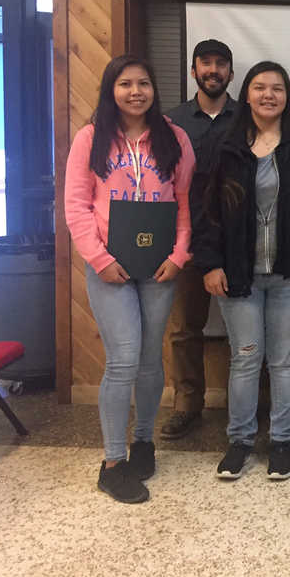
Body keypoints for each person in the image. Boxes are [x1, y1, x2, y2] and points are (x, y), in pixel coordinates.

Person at [192, 61, 290, 481]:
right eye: (259, 87)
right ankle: (239, 442)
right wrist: (210, 263)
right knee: (246, 359)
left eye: (276, 88)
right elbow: (205, 210)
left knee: (284, 361)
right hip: (238, 275)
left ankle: (282, 443)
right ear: (247, 94)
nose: (268, 95)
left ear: (287, 96)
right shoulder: (224, 146)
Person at [64, 54, 195, 503]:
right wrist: (98, 259)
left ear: (154, 89)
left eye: (143, 83)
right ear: (111, 90)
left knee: (149, 360)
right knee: (122, 360)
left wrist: (180, 254)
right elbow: (76, 206)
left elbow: (184, 203)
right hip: (110, 267)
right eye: (125, 84)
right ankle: (113, 461)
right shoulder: (90, 138)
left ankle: (143, 441)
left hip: (160, 267)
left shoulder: (174, 138)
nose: (135, 91)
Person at [161, 39, 237, 441]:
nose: (213, 70)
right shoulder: (171, 123)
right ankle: (187, 405)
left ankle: (246, 407)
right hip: (187, 241)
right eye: (205, 63)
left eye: (220, 63)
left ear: (230, 70)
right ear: (193, 71)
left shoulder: (247, 118)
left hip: (238, 241)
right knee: (186, 329)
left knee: (248, 330)